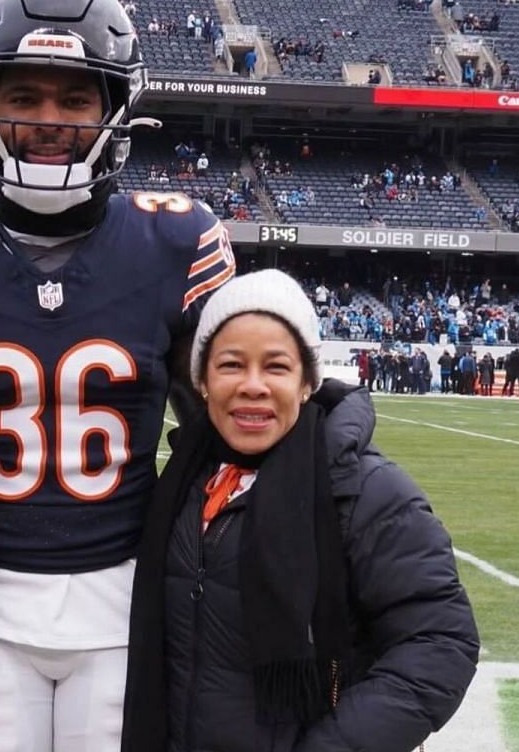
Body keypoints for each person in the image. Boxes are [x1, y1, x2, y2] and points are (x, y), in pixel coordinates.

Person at [0, 0, 236, 752]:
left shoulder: (178, 238)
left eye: (76, 99)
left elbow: (234, 425)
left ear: (117, 110)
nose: (50, 121)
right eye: (25, 98)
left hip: (122, 594)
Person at [123, 270, 478, 751]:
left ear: (308, 382)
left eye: (276, 367)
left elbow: (440, 643)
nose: (253, 385)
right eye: (230, 365)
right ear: (202, 382)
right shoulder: (184, 483)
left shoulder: (368, 491)